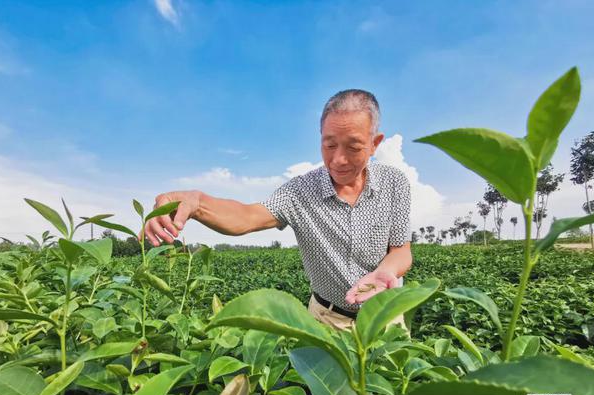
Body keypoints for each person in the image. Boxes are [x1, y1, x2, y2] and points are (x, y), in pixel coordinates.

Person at [144, 89, 412, 334]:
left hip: (385, 318)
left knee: (389, 386)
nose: (339, 159)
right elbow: (246, 217)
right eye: (329, 145)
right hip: (326, 321)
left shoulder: (394, 183)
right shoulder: (299, 192)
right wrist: (197, 202)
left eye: (353, 147)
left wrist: (384, 272)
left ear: (375, 143)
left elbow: (401, 251)